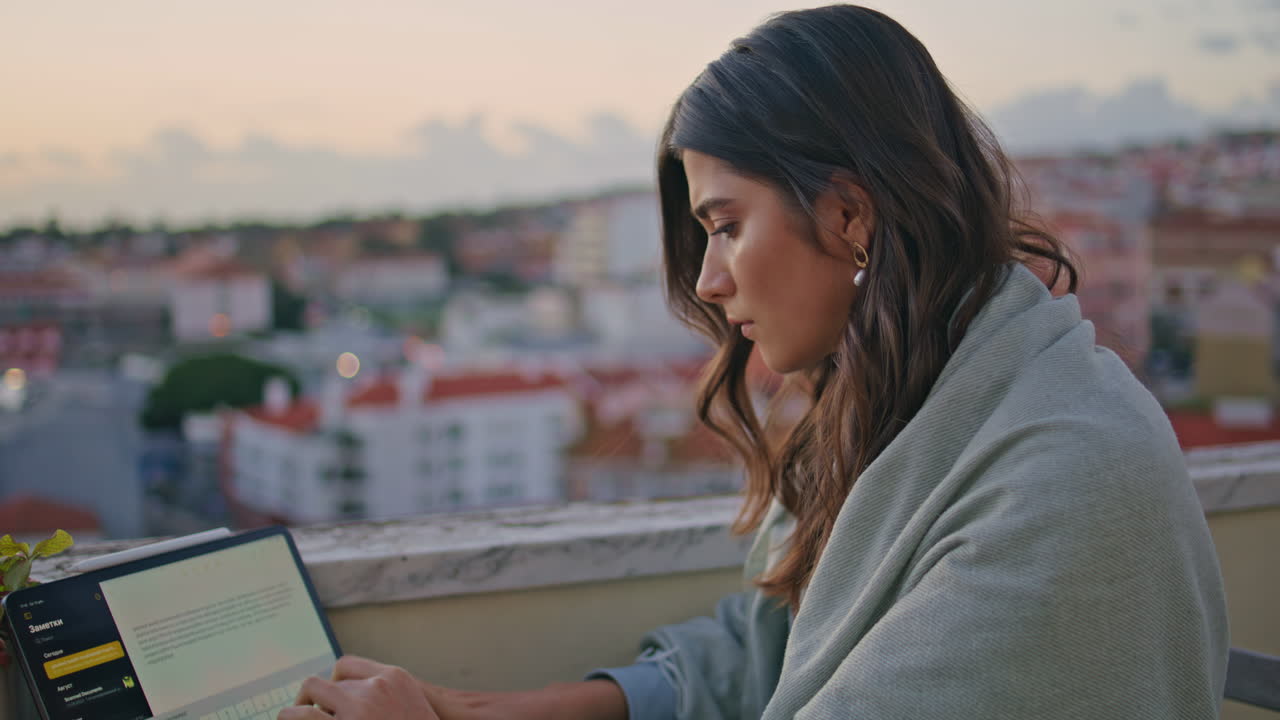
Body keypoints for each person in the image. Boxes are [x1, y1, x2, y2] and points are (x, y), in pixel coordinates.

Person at [280, 4, 1229, 719]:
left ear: (850, 216)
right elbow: (775, 650)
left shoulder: (1061, 479)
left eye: (726, 226)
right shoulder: (923, 400)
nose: (709, 281)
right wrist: (486, 712)